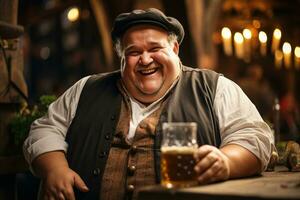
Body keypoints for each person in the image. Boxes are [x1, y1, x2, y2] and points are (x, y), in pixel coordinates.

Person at [23, 8, 275, 200]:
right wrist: (54, 168)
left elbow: (255, 137)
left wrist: (226, 162)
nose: (145, 59)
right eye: (133, 52)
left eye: (155, 48)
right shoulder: (86, 88)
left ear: (175, 49)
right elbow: (44, 129)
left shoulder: (213, 87)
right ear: (122, 57)